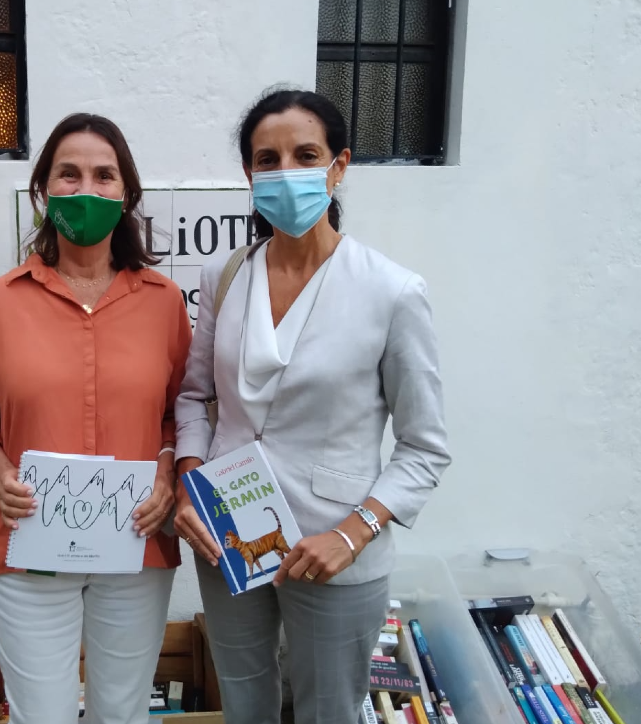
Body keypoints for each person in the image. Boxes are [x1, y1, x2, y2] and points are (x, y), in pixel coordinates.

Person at [173, 88, 451, 724]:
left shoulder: (392, 292)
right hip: (230, 535)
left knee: (329, 709)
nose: (285, 171)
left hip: (333, 548)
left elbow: (424, 446)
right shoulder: (227, 275)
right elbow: (194, 396)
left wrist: (354, 532)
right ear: (249, 174)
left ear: (339, 166)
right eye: (267, 159)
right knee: (243, 698)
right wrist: (190, 483)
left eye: (306, 154)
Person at [0, 113, 192, 724]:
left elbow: (181, 413)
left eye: (105, 175)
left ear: (126, 194)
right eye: (69, 173)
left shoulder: (163, 304)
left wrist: (168, 474)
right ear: (43, 191)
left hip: (135, 546)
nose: (87, 188)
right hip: (31, 547)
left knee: (123, 713)